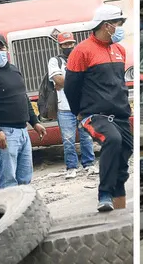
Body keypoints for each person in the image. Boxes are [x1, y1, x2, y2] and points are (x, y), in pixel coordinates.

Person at [64, 4, 133, 212]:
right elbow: (71, 87)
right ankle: (104, 194)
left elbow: (120, 84)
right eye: (118, 24)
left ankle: (119, 212)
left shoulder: (119, 50)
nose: (121, 28)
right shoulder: (82, 51)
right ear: (107, 25)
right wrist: (81, 113)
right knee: (112, 139)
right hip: (95, 114)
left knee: (123, 157)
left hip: (120, 115)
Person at [0, 33, 47, 189]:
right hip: (5, 133)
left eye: (1, 48)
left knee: (25, 178)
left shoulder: (14, 70)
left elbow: (23, 97)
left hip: (22, 132)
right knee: (8, 181)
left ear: (6, 49)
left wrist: (35, 122)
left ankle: (24, 211)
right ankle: (7, 210)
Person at [47, 32, 97, 179]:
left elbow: (91, 79)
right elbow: (57, 79)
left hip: (83, 106)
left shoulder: (83, 58)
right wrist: (77, 80)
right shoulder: (55, 61)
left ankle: (89, 164)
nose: (68, 46)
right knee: (68, 140)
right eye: (65, 44)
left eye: (70, 43)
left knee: (86, 137)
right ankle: (71, 167)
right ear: (60, 46)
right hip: (65, 108)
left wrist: (65, 82)